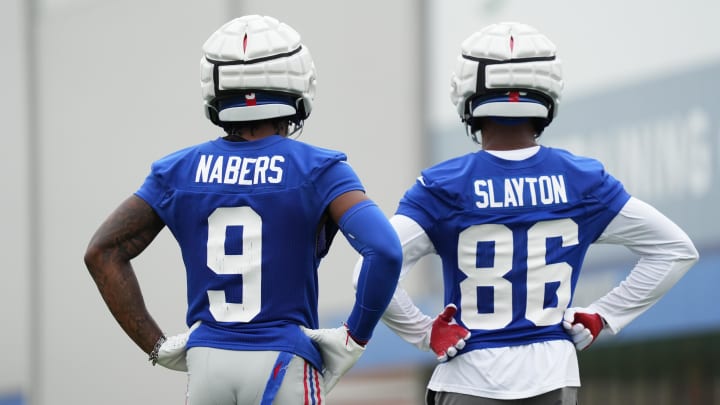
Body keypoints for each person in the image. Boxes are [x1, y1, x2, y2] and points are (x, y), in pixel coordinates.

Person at [357, 22, 699, 404]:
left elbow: (370, 267)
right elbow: (675, 249)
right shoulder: (581, 180)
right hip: (552, 376)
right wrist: (605, 314)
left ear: (467, 94)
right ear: (549, 91)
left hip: (469, 377)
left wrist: (424, 332)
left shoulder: (443, 185)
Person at [84, 15, 402, 404]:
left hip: (206, 364)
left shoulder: (177, 171)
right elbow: (384, 249)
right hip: (283, 359)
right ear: (297, 80)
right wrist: (355, 336)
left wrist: (154, 344)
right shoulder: (318, 169)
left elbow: (102, 251)